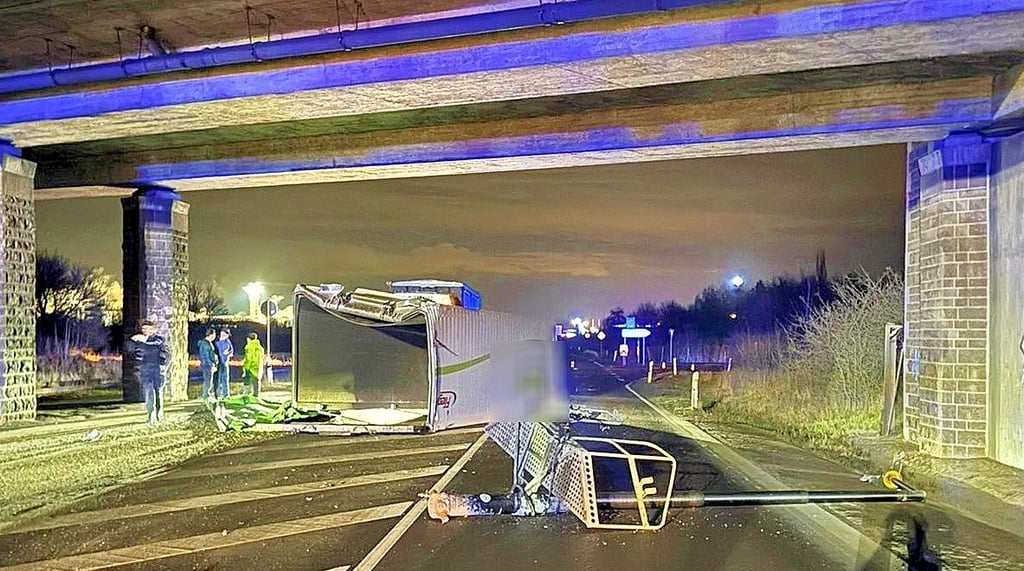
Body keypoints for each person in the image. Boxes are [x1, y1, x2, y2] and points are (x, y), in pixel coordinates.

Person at [128, 320, 169, 425]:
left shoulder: (158, 340)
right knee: (148, 392)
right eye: (144, 329)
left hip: (157, 369)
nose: (145, 331)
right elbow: (131, 351)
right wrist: (133, 340)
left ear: (153, 330)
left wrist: (144, 340)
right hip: (145, 369)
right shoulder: (138, 341)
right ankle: (151, 415)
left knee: (158, 392)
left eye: (148, 329)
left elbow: (158, 346)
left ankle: (159, 413)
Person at [198, 328, 218, 403]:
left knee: (209, 381)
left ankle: (207, 395)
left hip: (209, 365)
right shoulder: (205, 344)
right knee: (208, 381)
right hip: (207, 366)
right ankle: (206, 396)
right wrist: (211, 365)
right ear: (211, 335)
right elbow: (205, 356)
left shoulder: (208, 343)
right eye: (214, 335)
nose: (215, 336)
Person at [242, 332, 265, 397]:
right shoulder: (260, 348)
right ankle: (256, 396)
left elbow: (248, 358)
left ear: (248, 339)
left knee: (247, 381)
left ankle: (246, 395)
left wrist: (246, 368)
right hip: (258, 367)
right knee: (256, 382)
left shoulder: (248, 347)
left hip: (251, 367)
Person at [214, 328, 234, 399]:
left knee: (225, 379)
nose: (227, 336)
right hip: (218, 363)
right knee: (218, 380)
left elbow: (231, 351)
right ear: (223, 333)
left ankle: (226, 395)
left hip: (225, 363)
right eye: (226, 334)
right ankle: (218, 395)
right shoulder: (216, 341)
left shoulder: (228, 342)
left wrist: (228, 353)